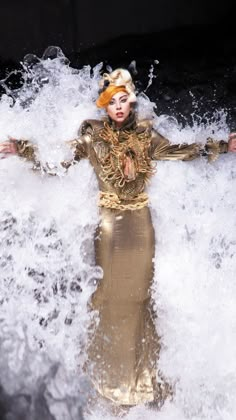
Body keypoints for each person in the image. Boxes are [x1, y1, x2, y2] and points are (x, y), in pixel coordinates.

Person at [0, 68, 236, 408]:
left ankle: (144, 384)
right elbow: (58, 160)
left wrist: (221, 147)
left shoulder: (145, 134)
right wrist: (22, 148)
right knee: (111, 298)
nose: (120, 107)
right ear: (105, 105)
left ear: (132, 101)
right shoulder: (91, 135)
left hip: (142, 226)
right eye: (113, 102)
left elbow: (180, 151)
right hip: (110, 229)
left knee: (140, 299)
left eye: (124, 100)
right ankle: (106, 386)